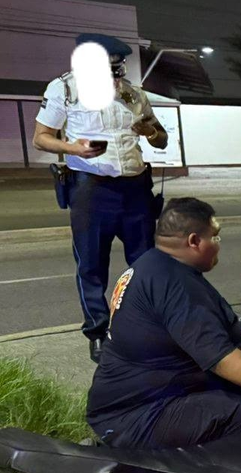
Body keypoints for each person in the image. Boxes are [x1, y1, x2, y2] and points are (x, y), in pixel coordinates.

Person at [86, 198, 241, 449]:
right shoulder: (175, 285)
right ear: (194, 242)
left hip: (136, 399)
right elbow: (219, 357)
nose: (218, 245)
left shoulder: (152, 264)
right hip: (134, 414)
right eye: (215, 237)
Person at [32, 33, 169, 363]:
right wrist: (73, 148)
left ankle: (147, 326)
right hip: (92, 189)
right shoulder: (64, 89)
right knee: (92, 265)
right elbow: (41, 138)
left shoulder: (133, 94)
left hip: (136, 188)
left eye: (117, 70)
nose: (113, 78)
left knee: (145, 262)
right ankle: (97, 331)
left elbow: (161, 138)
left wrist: (149, 131)